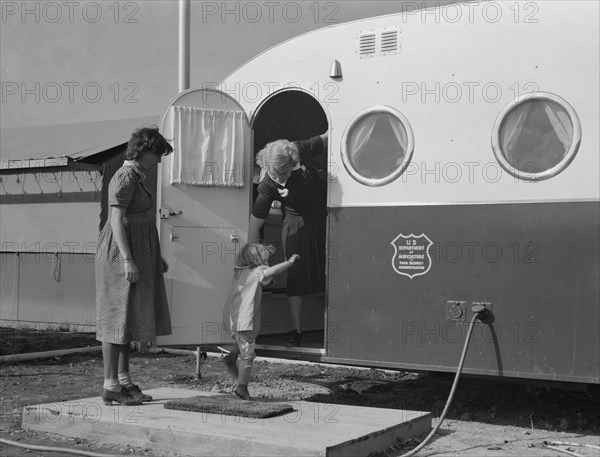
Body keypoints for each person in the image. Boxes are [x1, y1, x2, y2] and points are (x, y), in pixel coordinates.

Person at [95, 126, 173, 406]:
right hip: (119, 252)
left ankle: (124, 381)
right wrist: (128, 259)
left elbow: (143, 220)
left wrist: (156, 256)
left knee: (127, 319)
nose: (159, 161)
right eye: (157, 154)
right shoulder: (125, 176)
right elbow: (117, 219)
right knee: (115, 318)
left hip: (138, 250)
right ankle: (110, 385)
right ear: (143, 151)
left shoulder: (138, 176)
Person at [248, 132, 328, 347]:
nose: (280, 177)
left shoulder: (300, 148)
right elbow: (255, 225)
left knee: (333, 269)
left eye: (284, 172)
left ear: (293, 161)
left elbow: (334, 135)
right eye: (276, 173)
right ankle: (297, 330)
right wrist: (259, 265)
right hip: (295, 222)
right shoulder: (267, 186)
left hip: (327, 214)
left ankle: (334, 325)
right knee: (296, 274)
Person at [222, 242, 299, 400]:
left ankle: (232, 356)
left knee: (242, 341)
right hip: (245, 319)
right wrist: (289, 263)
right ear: (259, 260)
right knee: (248, 355)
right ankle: (242, 388)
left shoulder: (239, 272)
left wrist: (269, 280)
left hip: (233, 317)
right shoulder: (259, 271)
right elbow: (270, 272)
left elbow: (262, 281)